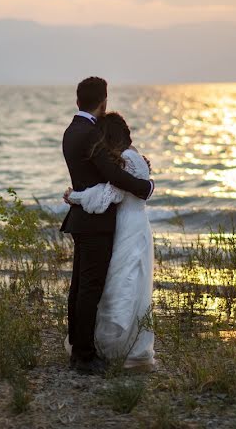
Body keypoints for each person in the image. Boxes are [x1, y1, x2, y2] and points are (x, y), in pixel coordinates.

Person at [60, 77, 154, 375]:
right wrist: (146, 186)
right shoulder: (90, 134)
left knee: (80, 288)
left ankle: (79, 347)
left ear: (78, 100)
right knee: (89, 289)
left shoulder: (71, 131)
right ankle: (85, 356)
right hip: (96, 222)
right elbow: (113, 176)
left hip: (82, 218)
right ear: (104, 101)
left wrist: (75, 196)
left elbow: (102, 175)